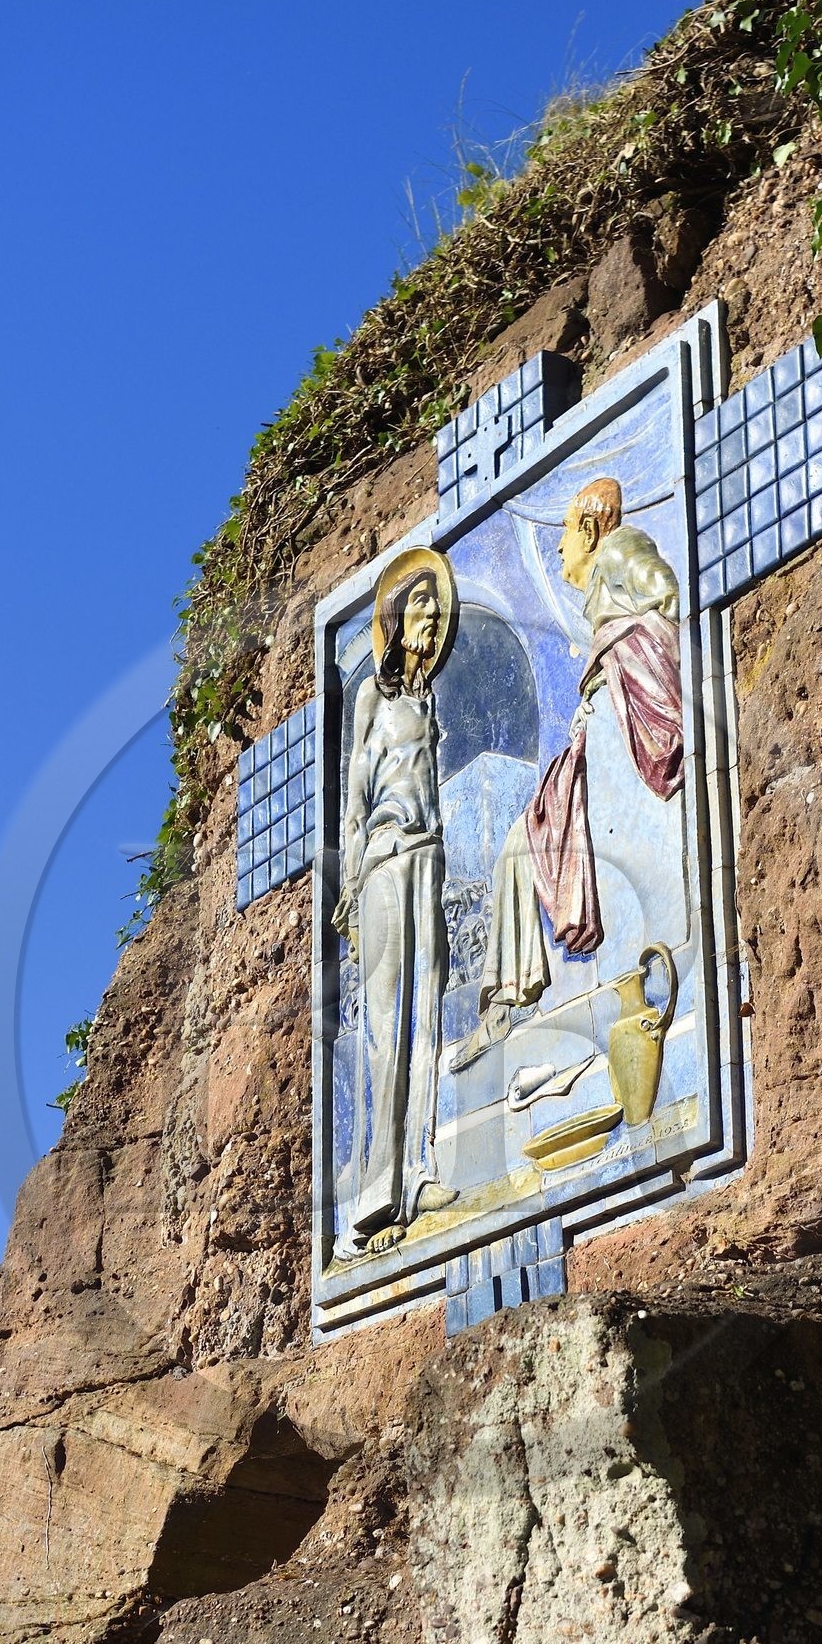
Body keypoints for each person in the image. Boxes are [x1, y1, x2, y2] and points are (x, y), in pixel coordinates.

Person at [448, 477, 683, 1069]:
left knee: (521, 843)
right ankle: (510, 995)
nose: (558, 551)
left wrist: (622, 666)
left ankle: (511, 996)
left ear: (589, 530)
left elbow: (666, 601)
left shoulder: (621, 550)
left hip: (626, 713)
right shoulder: (606, 579)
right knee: (518, 843)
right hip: (603, 719)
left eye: (564, 537)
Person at [333, 551, 460, 1253]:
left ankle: (421, 1172)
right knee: (386, 1022)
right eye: (419, 604)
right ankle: (376, 1190)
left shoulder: (429, 699)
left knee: (428, 1006)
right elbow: (354, 802)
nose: (432, 615)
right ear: (394, 617)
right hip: (384, 859)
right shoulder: (372, 701)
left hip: (427, 855)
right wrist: (351, 888)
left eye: (436, 604)